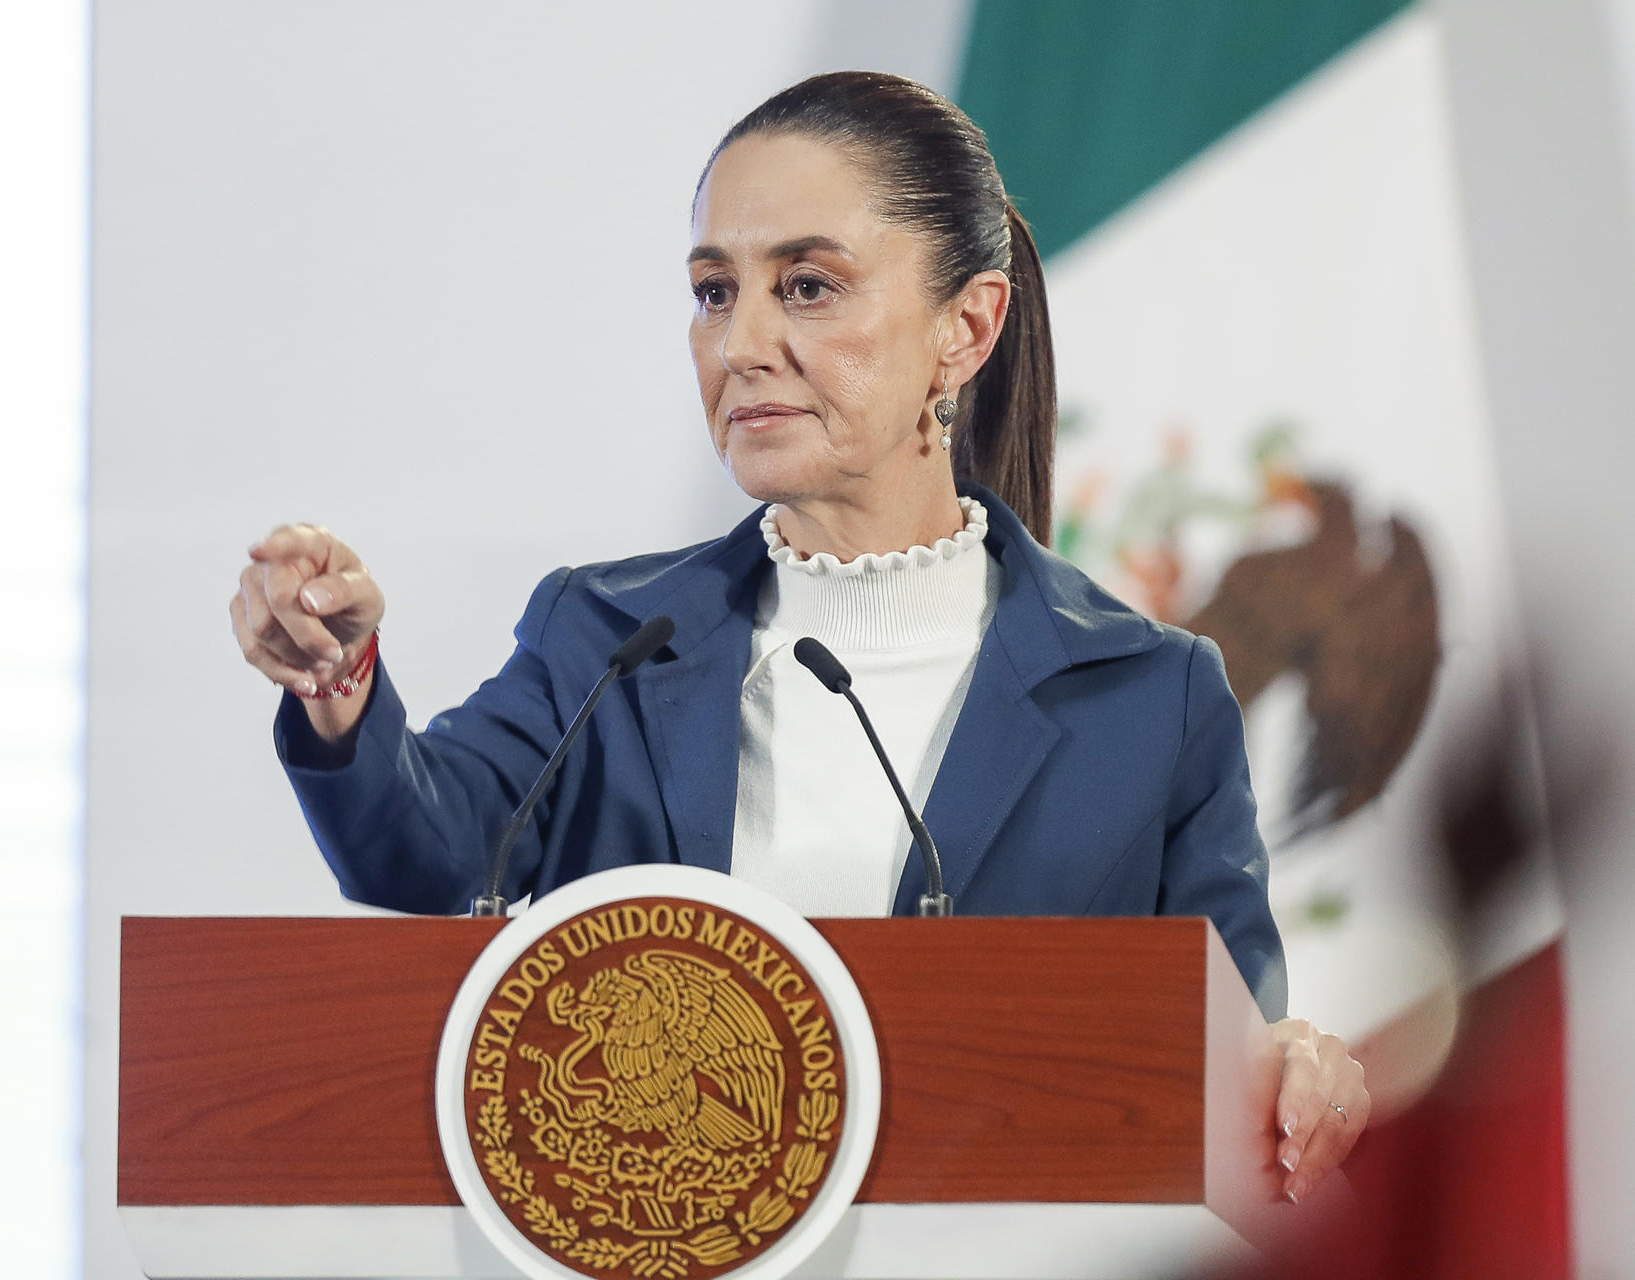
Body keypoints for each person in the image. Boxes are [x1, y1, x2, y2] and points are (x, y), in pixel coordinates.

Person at [229, 71, 1368, 1205]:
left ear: (965, 328)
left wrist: (1293, 1080)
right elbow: (422, 849)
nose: (741, 344)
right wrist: (339, 679)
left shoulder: (1150, 699)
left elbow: (1237, 1067)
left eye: (809, 287)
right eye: (716, 291)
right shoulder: (611, 638)